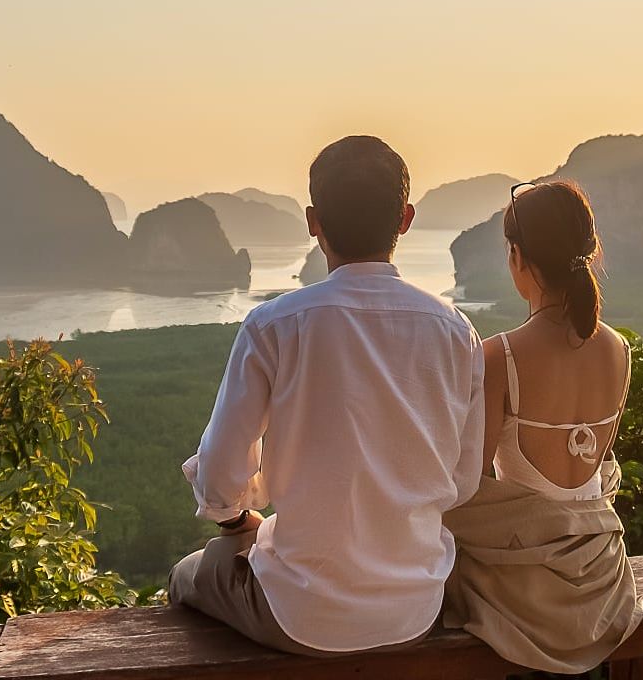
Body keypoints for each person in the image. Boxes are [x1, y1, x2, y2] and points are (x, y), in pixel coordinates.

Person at [168, 135, 485, 656]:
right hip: (416, 607)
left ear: (314, 221)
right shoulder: (456, 331)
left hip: (302, 614)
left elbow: (222, 469)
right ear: (405, 219)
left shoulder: (273, 326)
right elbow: (462, 478)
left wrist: (236, 518)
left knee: (186, 577)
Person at [442, 180, 643, 673]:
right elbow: (593, 468)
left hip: (524, 586)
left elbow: (472, 486)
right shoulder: (619, 349)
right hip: (602, 578)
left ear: (517, 257)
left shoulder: (499, 355)